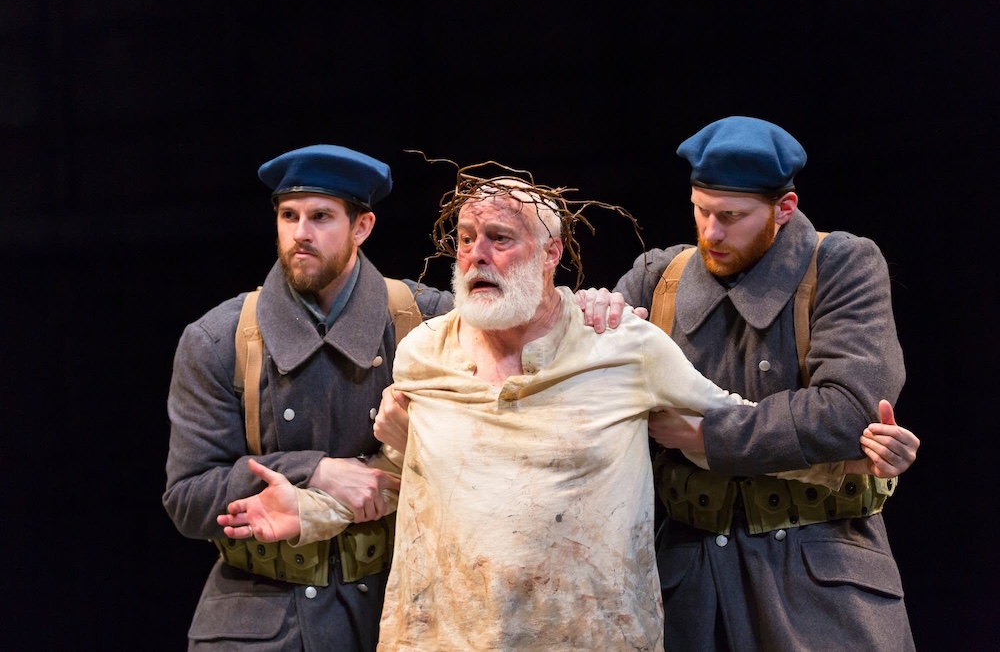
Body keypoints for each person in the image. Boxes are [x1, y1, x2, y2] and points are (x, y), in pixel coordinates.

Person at [217, 173, 918, 651]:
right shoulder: (424, 353)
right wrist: (311, 511)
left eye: (500, 237)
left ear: (552, 252)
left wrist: (861, 464)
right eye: (465, 238)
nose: (476, 256)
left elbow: (731, 427)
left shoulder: (623, 348)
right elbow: (401, 479)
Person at [612, 116, 916, 650]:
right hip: (688, 580)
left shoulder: (842, 265)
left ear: (784, 209)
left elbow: (848, 409)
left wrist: (708, 435)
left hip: (818, 575)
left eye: (731, 217)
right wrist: (593, 315)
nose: (711, 232)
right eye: (702, 211)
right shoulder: (656, 279)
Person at [162, 144, 442, 651]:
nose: (300, 234)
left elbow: (525, 343)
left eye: (320, 217)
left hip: (394, 608)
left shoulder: (424, 320)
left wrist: (593, 306)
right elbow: (187, 498)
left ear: (362, 227)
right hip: (264, 616)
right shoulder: (219, 337)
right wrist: (312, 468)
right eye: (288, 216)